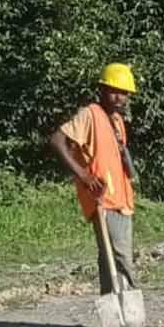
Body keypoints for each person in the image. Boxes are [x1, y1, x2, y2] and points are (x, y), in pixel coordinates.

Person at [49, 64, 140, 301]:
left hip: (122, 199)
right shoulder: (89, 114)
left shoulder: (117, 121)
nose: (120, 97)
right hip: (104, 199)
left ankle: (113, 304)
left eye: (124, 92)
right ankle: (126, 306)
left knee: (111, 256)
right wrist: (84, 175)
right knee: (119, 256)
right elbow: (58, 140)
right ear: (102, 89)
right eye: (114, 91)